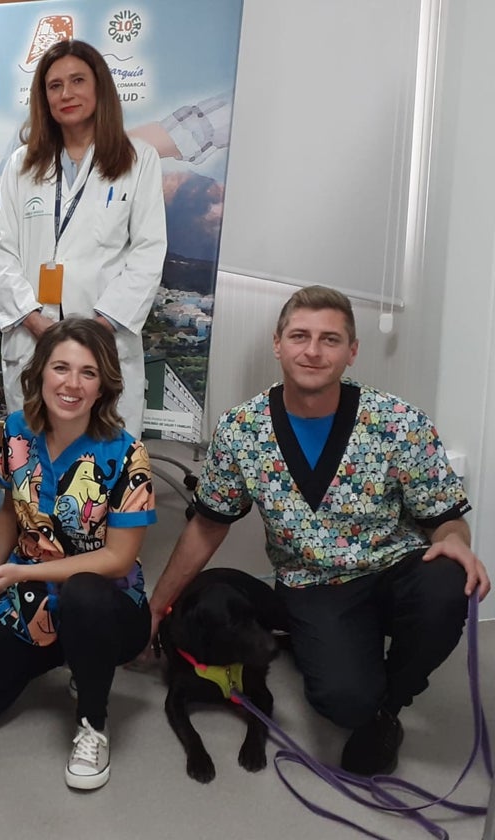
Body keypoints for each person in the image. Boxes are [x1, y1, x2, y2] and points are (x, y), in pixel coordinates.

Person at [147, 285, 490, 776]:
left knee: (448, 582)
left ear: (352, 351)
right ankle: (361, 692)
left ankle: (388, 708)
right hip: (315, 584)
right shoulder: (242, 430)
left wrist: (456, 542)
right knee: (343, 703)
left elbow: (445, 518)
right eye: (300, 336)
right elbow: (207, 525)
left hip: (397, 566)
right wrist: (159, 607)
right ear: (277, 343)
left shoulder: (398, 422)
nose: (312, 350)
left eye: (330, 339)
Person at [0, 318, 157, 791]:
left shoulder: (129, 455)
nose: (72, 384)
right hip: (32, 597)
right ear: (39, 374)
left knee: (84, 595)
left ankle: (93, 721)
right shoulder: (16, 433)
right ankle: (67, 653)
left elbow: (117, 560)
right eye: (61, 368)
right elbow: (12, 510)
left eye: (88, 373)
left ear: (104, 386)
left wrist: (16, 572)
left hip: (109, 606)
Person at [0, 38, 166, 437]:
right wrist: (33, 320)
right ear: (43, 97)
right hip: (35, 335)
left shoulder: (138, 159)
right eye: (54, 85)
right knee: (36, 461)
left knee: (102, 463)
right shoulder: (22, 164)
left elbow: (148, 251)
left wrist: (100, 326)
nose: (66, 94)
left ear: (99, 87)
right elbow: (2, 249)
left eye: (77, 81)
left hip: (104, 338)